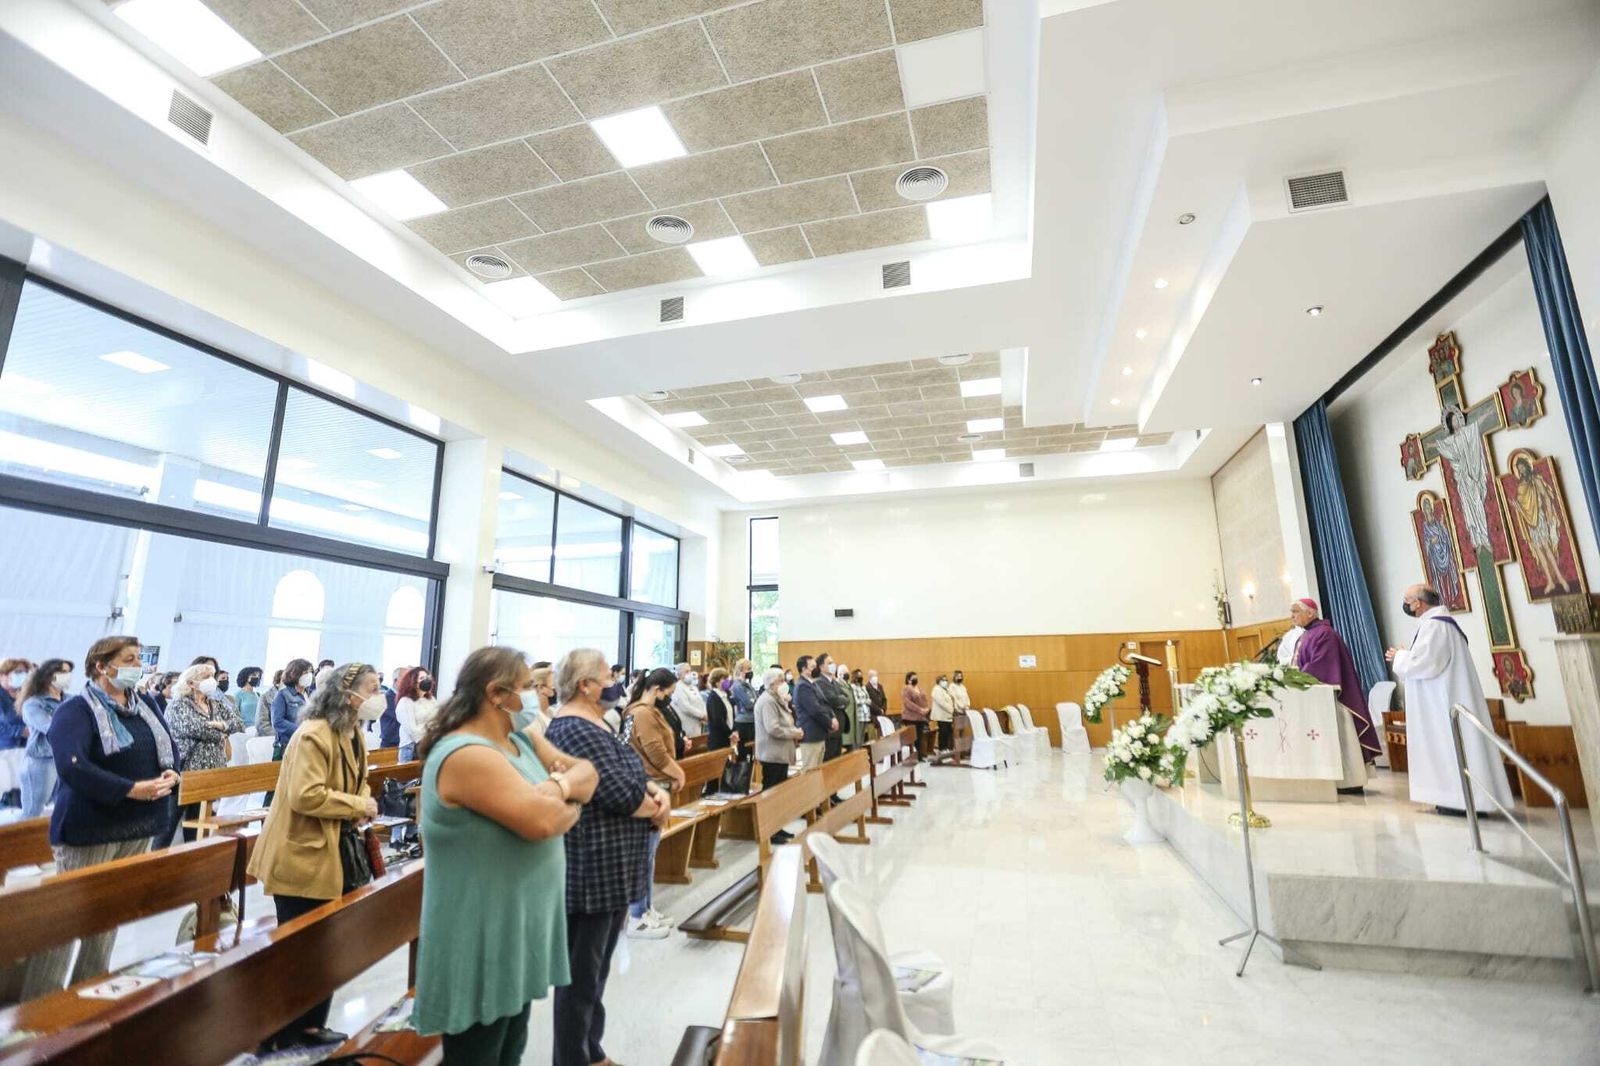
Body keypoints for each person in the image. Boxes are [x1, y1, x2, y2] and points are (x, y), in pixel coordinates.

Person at [414, 646, 598, 1066]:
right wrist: (563, 798)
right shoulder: (466, 754)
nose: (535, 696)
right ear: (496, 694)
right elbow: (541, 823)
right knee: (480, 1054)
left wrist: (558, 791)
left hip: (517, 925)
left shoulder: (518, 737)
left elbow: (586, 775)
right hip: (481, 934)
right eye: (527, 688)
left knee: (509, 1048)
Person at [27, 636, 178, 1000]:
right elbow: (72, 766)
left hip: (138, 825)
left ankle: (86, 997)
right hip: (88, 829)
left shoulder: (146, 706)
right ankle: (39, 1011)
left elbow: (169, 748)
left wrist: (172, 775)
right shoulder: (76, 710)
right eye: (129, 659)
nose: (137, 665)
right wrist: (130, 788)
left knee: (108, 918)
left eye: (138, 658)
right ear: (101, 666)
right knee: (67, 923)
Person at [247, 662, 383, 1049]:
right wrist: (357, 803)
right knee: (300, 950)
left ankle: (309, 1025)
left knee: (325, 947)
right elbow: (306, 795)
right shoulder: (313, 734)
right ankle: (275, 1032)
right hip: (301, 854)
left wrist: (360, 801)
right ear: (347, 692)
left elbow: (356, 781)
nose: (378, 697)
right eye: (371, 689)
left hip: (332, 850)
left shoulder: (351, 731)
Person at [546, 648, 671, 1066]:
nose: (614, 680)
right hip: (590, 867)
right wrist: (654, 803)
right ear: (585, 685)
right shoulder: (572, 729)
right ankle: (572, 1058)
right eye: (606, 675)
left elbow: (630, 771)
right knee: (580, 978)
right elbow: (613, 790)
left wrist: (655, 792)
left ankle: (591, 1049)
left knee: (595, 973)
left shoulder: (594, 721)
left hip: (612, 867)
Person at [1386, 584, 1515, 815]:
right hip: (1440, 697)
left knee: (1451, 746)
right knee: (1448, 748)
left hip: (1443, 702)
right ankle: (1452, 799)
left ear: (1419, 603)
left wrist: (1400, 656)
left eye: (1408, 599)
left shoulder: (1436, 626)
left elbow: (1426, 663)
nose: (1405, 604)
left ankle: (1461, 801)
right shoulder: (1435, 624)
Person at [1290, 597, 1381, 793]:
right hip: (1316, 701)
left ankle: (1349, 781)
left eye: (1296, 611)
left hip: (1335, 700)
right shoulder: (1305, 635)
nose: (1292, 616)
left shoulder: (1324, 634)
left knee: (1343, 738)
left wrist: (1296, 678)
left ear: (1310, 613)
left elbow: (1321, 666)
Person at [622, 667, 683, 939]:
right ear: (657, 689)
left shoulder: (640, 710)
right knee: (643, 854)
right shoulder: (643, 713)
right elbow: (655, 751)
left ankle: (646, 907)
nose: (668, 698)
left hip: (653, 782)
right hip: (649, 783)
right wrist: (677, 771)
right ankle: (637, 915)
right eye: (667, 693)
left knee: (649, 853)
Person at [167, 663, 245, 841]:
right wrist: (221, 732)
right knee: (170, 820)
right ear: (191, 683)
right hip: (186, 770)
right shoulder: (179, 704)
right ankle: (156, 861)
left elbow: (238, 723)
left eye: (212, 676)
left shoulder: (216, 704)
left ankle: (192, 858)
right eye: (205, 677)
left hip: (211, 771)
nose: (211, 680)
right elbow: (195, 728)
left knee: (198, 822)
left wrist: (223, 725)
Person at [754, 668, 803, 843]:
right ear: (772, 683)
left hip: (780, 752)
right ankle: (770, 831)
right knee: (772, 793)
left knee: (778, 793)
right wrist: (793, 733)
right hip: (772, 753)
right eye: (781, 680)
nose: (785, 683)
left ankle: (778, 827)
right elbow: (773, 728)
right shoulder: (767, 701)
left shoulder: (776, 698)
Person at [19, 659, 72, 819]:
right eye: (63, 672)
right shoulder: (33, 704)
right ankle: (20, 844)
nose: (68, 676)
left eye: (69, 672)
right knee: (32, 812)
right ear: (49, 676)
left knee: (64, 809)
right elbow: (50, 728)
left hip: (65, 760)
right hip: (41, 762)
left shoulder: (71, 699)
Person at [792, 655, 830, 773]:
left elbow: (824, 704)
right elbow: (815, 710)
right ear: (804, 669)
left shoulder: (812, 684)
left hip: (818, 734)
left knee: (817, 772)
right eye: (813, 667)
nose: (816, 669)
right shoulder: (803, 686)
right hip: (811, 735)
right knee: (810, 772)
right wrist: (829, 722)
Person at [270, 658, 314, 760]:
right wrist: (302, 730)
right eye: (305, 672)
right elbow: (278, 722)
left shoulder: (311, 695)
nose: (309, 675)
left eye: (310, 672)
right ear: (295, 674)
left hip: (308, 745)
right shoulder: (282, 695)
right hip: (288, 746)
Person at [395, 666, 439, 761]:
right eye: (422, 678)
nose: (426, 680)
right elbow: (412, 730)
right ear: (413, 683)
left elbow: (439, 721)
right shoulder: (405, 701)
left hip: (430, 745)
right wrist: (431, 728)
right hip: (411, 748)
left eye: (427, 677)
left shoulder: (431, 700)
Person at [814, 652, 848, 760]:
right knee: (829, 761)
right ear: (821, 667)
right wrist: (840, 701)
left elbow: (847, 698)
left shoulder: (834, 682)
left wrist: (840, 701)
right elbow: (834, 700)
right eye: (829, 663)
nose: (833, 665)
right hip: (830, 729)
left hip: (839, 728)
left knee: (837, 761)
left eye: (833, 662)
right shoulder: (820, 682)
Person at [671, 662, 707, 740]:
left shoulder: (693, 687)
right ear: (679, 674)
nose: (689, 674)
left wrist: (704, 714)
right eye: (686, 672)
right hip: (686, 725)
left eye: (690, 671)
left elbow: (700, 702)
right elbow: (685, 707)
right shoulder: (678, 687)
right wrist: (702, 715)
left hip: (698, 724)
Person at [729, 658, 757, 753]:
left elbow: (756, 699)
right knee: (744, 751)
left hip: (752, 720)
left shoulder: (748, 685)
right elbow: (749, 704)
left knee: (751, 750)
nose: (750, 671)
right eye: (748, 669)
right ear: (741, 671)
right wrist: (754, 701)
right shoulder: (737, 685)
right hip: (743, 722)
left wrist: (754, 701)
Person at [704, 667, 734, 752]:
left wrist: (733, 730)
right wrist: (730, 733)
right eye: (724, 679)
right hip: (718, 738)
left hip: (727, 736)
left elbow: (731, 714)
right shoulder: (714, 697)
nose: (727, 681)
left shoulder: (726, 695)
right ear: (716, 682)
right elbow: (717, 719)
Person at [901, 671, 930, 752]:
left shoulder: (919, 688)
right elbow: (908, 703)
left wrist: (927, 708)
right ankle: (917, 755)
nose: (915, 679)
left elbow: (925, 700)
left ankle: (921, 755)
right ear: (908, 680)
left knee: (920, 737)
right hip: (911, 718)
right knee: (915, 737)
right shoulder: (906, 689)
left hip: (920, 717)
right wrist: (920, 710)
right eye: (913, 678)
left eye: (916, 678)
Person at [930, 674, 957, 752]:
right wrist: (952, 710)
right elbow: (941, 702)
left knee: (948, 732)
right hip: (941, 715)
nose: (945, 681)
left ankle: (946, 748)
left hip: (947, 715)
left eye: (946, 680)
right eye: (943, 680)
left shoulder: (946, 689)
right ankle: (942, 749)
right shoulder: (936, 689)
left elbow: (951, 700)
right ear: (938, 681)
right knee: (943, 732)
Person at [379, 666, 403, 750]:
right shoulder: (387, 697)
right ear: (395, 680)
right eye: (405, 679)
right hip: (391, 744)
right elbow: (401, 716)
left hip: (402, 743)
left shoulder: (405, 697)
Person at [257, 670, 283, 736]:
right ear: (277, 683)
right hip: (267, 739)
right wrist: (279, 736)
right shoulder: (265, 697)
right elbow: (261, 724)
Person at [850, 668, 873, 740]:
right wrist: (865, 701)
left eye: (861, 676)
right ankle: (857, 749)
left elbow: (867, 697)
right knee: (858, 736)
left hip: (865, 714)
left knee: (863, 736)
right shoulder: (853, 687)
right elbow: (856, 700)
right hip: (859, 715)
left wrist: (868, 701)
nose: (860, 678)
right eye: (859, 676)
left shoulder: (863, 687)